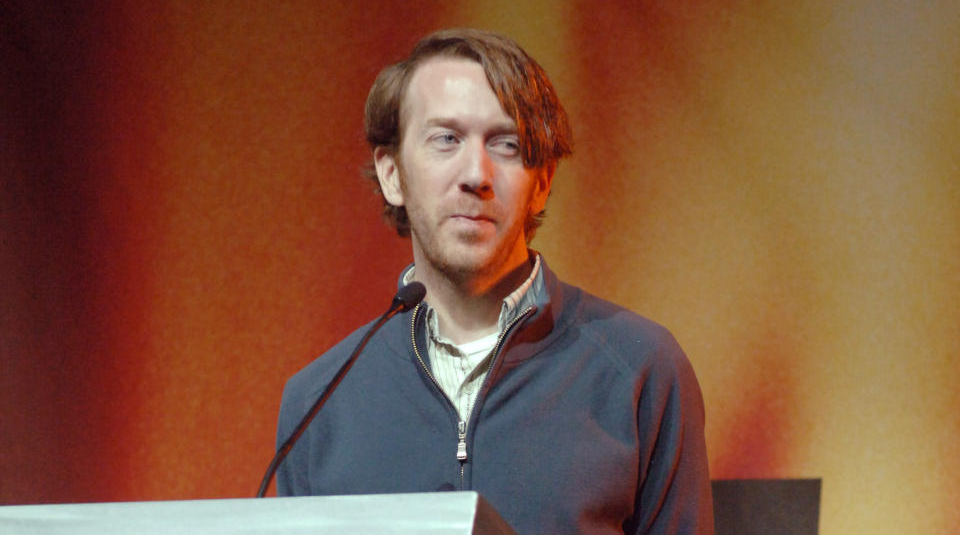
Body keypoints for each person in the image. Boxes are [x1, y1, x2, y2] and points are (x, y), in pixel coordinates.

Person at [276, 28, 713, 534]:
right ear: (392, 174)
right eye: (446, 139)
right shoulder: (320, 401)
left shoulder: (640, 368)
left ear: (541, 183)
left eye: (505, 145)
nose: (476, 173)